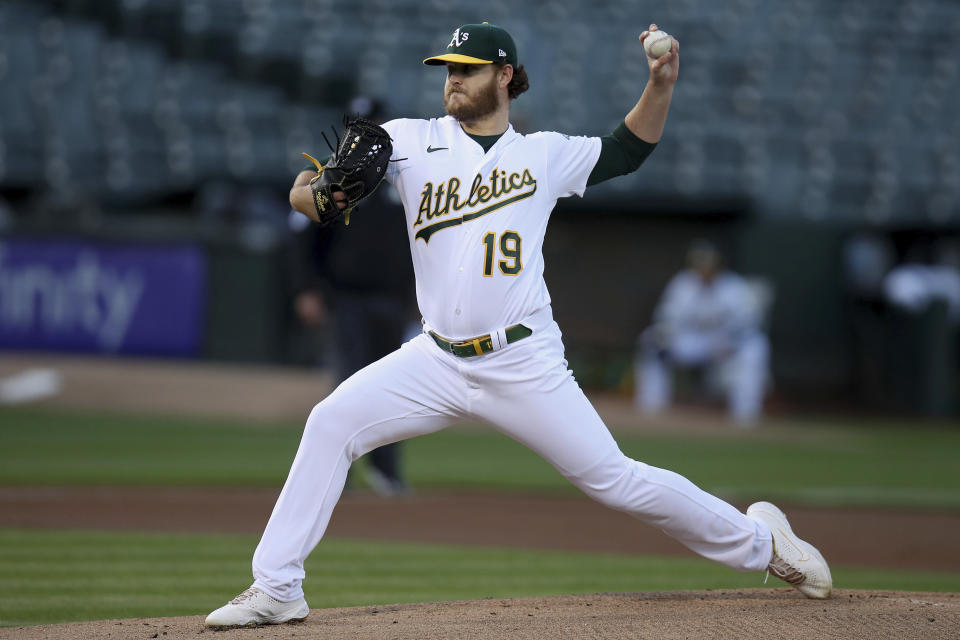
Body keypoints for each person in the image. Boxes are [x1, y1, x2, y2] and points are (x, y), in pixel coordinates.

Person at [205, 22, 831, 628]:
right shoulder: (407, 139)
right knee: (330, 422)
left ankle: (762, 542)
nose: (453, 80)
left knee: (614, 481)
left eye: (468, 70)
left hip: (522, 361)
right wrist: (312, 189)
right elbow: (310, 200)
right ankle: (278, 587)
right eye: (448, 70)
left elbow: (628, 149)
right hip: (436, 359)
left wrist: (661, 84)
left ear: (504, 76)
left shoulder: (542, 155)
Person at [287, 96, 415, 496]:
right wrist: (307, 287)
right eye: (360, 124)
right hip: (347, 297)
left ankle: (387, 473)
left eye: (373, 122)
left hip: (393, 299)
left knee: (391, 390)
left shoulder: (408, 175)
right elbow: (302, 236)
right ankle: (334, 475)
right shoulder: (332, 175)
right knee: (348, 386)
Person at [635, 240, 771, 426]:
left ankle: (745, 415)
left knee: (755, 345)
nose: (704, 268)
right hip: (691, 342)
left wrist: (730, 343)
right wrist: (667, 337)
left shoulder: (734, 287)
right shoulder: (683, 284)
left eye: (709, 263)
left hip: (724, 342)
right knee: (651, 339)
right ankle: (652, 407)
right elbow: (666, 317)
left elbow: (748, 322)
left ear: (718, 265)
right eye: (700, 263)